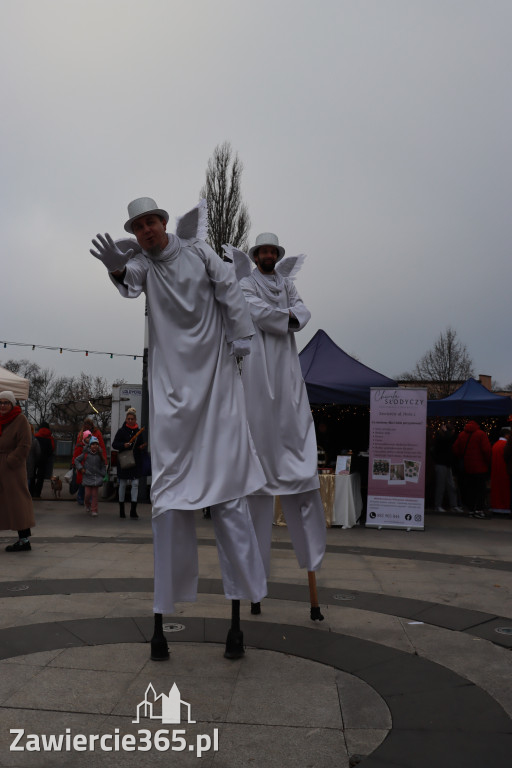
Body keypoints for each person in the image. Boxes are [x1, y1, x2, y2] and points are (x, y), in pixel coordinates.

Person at [90, 197, 267, 659]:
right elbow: (129, 284)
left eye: (151, 222)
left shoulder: (199, 251)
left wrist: (241, 333)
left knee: (229, 498)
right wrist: (113, 270)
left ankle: (240, 609)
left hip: (216, 386)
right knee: (167, 504)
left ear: (163, 223)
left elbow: (228, 285)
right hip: (171, 396)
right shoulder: (145, 267)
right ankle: (163, 613)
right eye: (138, 226)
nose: (146, 231)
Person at [225, 232, 326, 616]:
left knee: (292, 409)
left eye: (273, 251)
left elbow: (302, 313)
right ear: (255, 256)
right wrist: (287, 318)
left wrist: (289, 317)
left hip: (286, 364)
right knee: (259, 430)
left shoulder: (287, 284)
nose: (268, 256)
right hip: (258, 366)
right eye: (263, 251)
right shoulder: (246, 282)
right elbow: (257, 314)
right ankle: (253, 584)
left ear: (277, 255)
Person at [0, 391, 35, 552]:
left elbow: (25, 444)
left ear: (13, 404)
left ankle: (24, 539)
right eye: (0, 402)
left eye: (6, 402)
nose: (3, 405)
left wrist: (10, 461)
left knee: (17, 501)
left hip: (12, 468)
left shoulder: (20, 419)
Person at [112, 407, 147, 519]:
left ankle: (133, 510)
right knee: (122, 484)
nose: (130, 420)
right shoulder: (121, 431)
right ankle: (122, 510)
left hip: (135, 461)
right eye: (129, 418)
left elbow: (141, 444)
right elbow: (114, 444)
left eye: (132, 419)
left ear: (135, 419)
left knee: (135, 484)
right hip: (124, 460)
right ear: (126, 419)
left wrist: (142, 447)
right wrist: (123, 445)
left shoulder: (139, 431)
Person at [453, 420, 491, 519]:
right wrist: (488, 462)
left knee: (469, 489)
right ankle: (478, 510)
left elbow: (456, 449)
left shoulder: (462, 434)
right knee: (480, 490)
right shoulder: (481, 434)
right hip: (480, 468)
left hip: (466, 467)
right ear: (477, 425)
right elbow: (486, 450)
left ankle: (470, 509)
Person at [72, 419, 107, 506]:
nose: (87, 425)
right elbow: (77, 450)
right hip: (85, 460)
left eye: (88, 424)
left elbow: (101, 447)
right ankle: (84, 497)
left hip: (91, 460)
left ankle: (86, 498)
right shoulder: (85, 434)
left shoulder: (84, 434)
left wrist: (104, 460)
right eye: (86, 424)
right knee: (83, 481)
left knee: (88, 481)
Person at [432, 421, 463, 513]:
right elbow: (448, 440)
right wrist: (446, 432)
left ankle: (447, 505)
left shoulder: (442, 437)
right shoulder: (443, 438)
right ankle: (442, 505)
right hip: (443, 464)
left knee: (446, 485)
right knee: (445, 486)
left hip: (443, 464)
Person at [74, 436, 107, 517]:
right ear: (89, 446)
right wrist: (81, 469)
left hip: (97, 477)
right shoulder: (85, 454)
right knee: (87, 495)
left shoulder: (100, 455)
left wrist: (103, 473)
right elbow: (76, 460)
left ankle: (94, 509)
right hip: (87, 477)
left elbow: (103, 465)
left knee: (95, 495)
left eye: (96, 444)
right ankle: (87, 504)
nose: (94, 446)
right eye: (93, 444)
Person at [30, 421, 55, 498]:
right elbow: (52, 449)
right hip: (44, 460)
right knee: (40, 478)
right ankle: (37, 493)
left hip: (34, 459)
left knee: (32, 475)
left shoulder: (36, 436)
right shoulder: (50, 438)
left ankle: (31, 492)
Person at [490, 427, 511, 514]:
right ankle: (505, 508)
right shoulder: (506, 445)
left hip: (495, 472)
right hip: (505, 472)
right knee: (505, 493)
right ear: (506, 435)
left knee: (497, 493)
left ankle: (496, 507)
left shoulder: (495, 445)